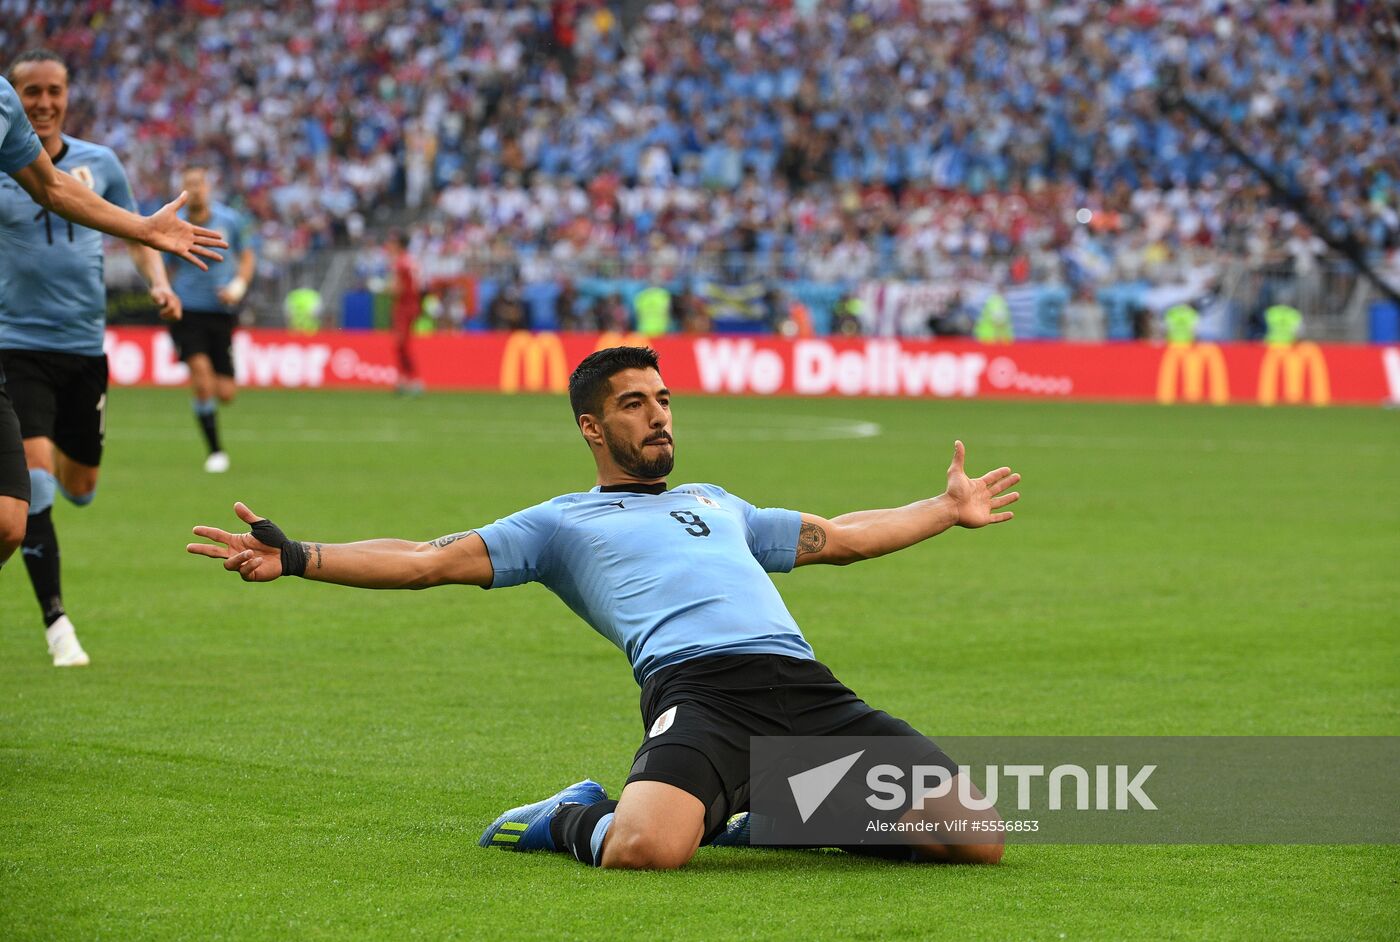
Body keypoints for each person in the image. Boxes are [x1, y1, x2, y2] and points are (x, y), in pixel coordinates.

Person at [187, 346, 1022, 870]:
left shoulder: (714, 500)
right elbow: (426, 562)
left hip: (808, 687)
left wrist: (943, 510)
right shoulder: (560, 523)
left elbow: (840, 535)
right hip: (700, 694)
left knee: (975, 837)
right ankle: (568, 817)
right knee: (647, 850)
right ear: (592, 427)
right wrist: (299, 557)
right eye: (635, 404)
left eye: (663, 400)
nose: (658, 416)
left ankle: (761, 809)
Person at [0, 74, 223, 590]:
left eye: (54, 90)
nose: (44, 101)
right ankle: (57, 622)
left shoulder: (88, 157)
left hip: (80, 344)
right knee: (33, 488)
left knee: (66, 495)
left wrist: (153, 257)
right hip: (14, 341)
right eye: (33, 90)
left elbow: (56, 190)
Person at [165, 165, 256, 473]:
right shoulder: (172, 223)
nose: (194, 190)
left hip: (222, 313)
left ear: (208, 188)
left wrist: (238, 286)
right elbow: (163, 265)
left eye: (198, 184)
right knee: (202, 381)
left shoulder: (229, 219)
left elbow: (246, 256)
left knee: (226, 393)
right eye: (187, 184)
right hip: (187, 311)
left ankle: (208, 412)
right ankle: (216, 451)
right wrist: (165, 293)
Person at [387, 232, 423, 395]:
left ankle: (413, 380)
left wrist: (385, 289)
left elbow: (398, 288)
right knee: (402, 344)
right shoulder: (411, 261)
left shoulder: (400, 262)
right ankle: (404, 380)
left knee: (401, 343)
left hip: (403, 306)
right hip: (412, 305)